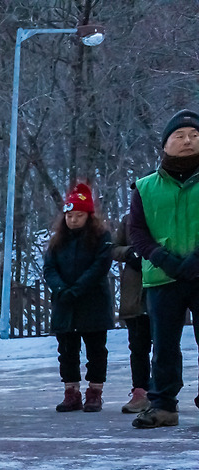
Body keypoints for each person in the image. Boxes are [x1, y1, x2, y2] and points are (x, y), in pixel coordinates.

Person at [127, 109, 199, 429]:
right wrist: (163, 257)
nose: (188, 141)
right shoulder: (144, 187)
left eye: (195, 136)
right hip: (162, 277)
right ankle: (163, 405)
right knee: (164, 344)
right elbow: (137, 233)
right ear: (165, 144)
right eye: (180, 136)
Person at [43, 183, 113, 413]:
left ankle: (95, 391)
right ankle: (70, 391)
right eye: (69, 215)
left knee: (95, 349)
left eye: (79, 215)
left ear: (88, 216)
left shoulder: (101, 237)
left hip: (93, 301)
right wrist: (61, 289)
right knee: (67, 351)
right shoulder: (57, 241)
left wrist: (78, 288)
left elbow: (100, 266)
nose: (73, 220)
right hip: (65, 303)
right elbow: (49, 268)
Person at [112, 205, 151, 413]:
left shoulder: (165, 213)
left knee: (167, 348)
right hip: (134, 293)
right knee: (137, 347)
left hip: (163, 288)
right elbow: (113, 247)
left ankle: (165, 392)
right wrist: (128, 253)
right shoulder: (128, 219)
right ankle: (140, 391)